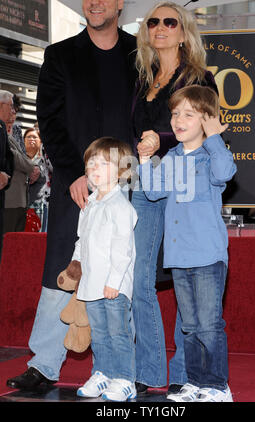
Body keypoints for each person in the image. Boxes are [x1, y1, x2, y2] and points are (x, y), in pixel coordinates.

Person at [7, 0, 137, 390]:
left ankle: (120, 371)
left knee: (121, 272)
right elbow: (50, 120)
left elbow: (148, 120)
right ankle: (44, 364)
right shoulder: (59, 55)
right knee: (63, 267)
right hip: (75, 185)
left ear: (120, 2)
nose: (94, 1)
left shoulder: (141, 56)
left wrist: (131, 173)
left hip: (127, 188)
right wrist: (74, 174)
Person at [131, 1, 218, 394]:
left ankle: (184, 373)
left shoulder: (199, 76)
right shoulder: (142, 76)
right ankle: (150, 370)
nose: (160, 27)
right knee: (138, 279)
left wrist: (162, 138)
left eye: (170, 21)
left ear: (183, 31)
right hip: (145, 179)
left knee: (186, 278)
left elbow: (209, 127)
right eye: (153, 21)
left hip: (184, 181)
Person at [138, 85, 237, 402]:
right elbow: (153, 191)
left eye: (188, 114)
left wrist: (213, 137)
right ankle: (195, 381)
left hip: (207, 255)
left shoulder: (212, 156)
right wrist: (144, 160)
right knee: (190, 326)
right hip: (179, 257)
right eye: (175, 113)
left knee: (209, 325)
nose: (178, 119)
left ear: (206, 120)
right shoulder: (171, 157)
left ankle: (217, 386)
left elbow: (226, 171)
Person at [75, 137, 137, 402]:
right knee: (98, 333)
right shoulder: (89, 204)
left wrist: (114, 281)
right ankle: (103, 373)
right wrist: (75, 268)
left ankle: (125, 379)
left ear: (122, 170)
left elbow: (123, 249)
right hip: (91, 284)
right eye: (91, 163)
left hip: (114, 285)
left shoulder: (120, 206)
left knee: (118, 332)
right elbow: (82, 241)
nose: (95, 168)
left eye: (103, 163)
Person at [4, 106, 41, 234]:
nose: (13, 114)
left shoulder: (11, 134)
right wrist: (32, 168)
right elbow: (15, 157)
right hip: (9, 200)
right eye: (10, 108)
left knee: (15, 243)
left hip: (18, 200)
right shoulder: (3, 135)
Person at [24, 127, 53, 232]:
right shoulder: (20, 159)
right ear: (23, 140)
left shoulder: (44, 161)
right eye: (29, 137)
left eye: (35, 137)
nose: (31, 139)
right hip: (20, 207)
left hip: (38, 208)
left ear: (40, 141)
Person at [0, 90, 14, 259]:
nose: (12, 111)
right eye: (10, 106)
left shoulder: (2, 127)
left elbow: (9, 158)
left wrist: (6, 176)